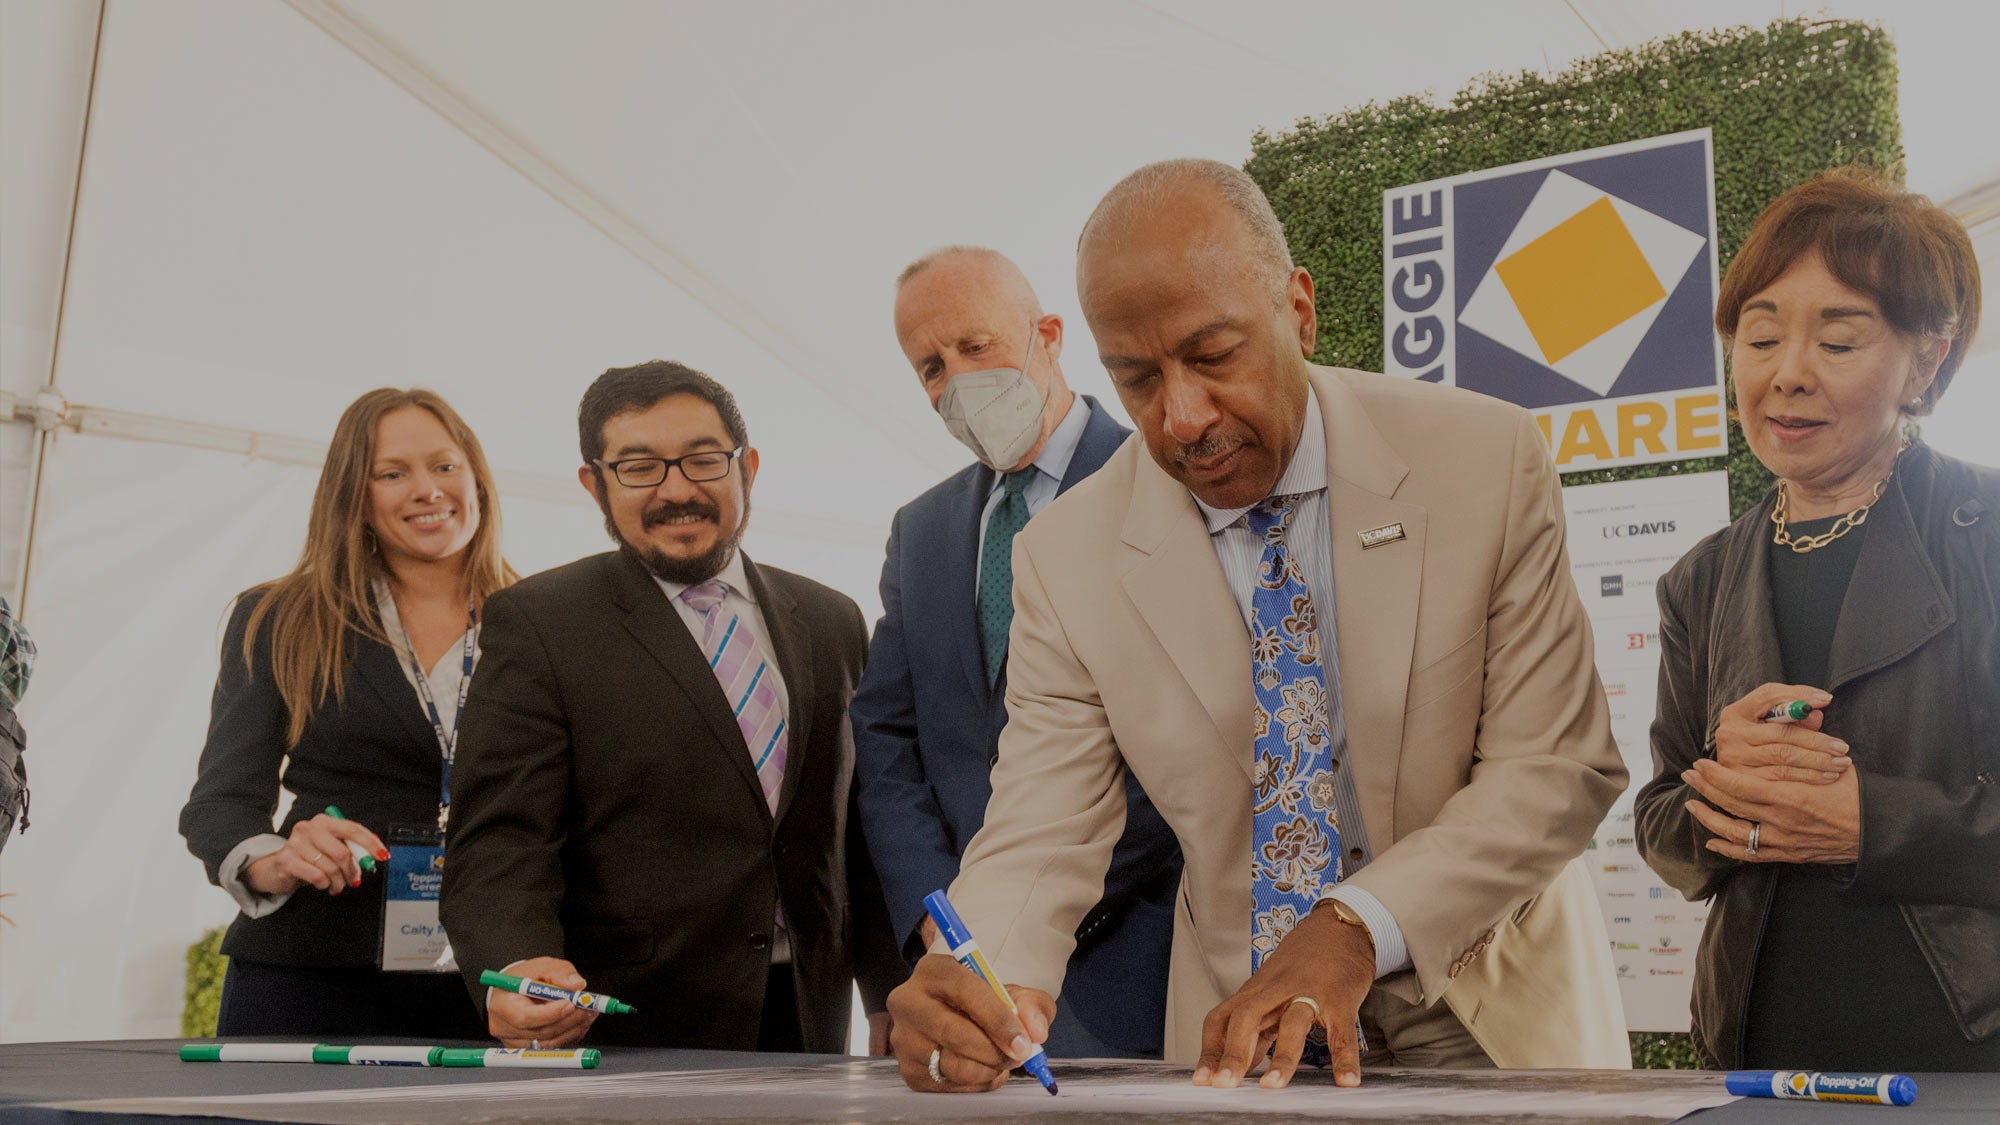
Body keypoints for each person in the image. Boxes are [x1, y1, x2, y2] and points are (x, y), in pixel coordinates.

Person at [886, 158, 1629, 1094]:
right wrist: (982, 972)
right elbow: (1043, 819)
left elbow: (1555, 767)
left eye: (1212, 354)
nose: (1183, 417)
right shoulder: (1066, 554)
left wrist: (1358, 923)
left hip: (1492, 1016)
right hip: (1239, 1045)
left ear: (1300, 311)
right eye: (1137, 379)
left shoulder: (1481, 460)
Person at [1634, 169, 1995, 1071]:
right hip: (1758, 1050)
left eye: (1838, 339)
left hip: (1968, 1051)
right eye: (1759, 337)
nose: (1786, 373)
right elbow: (1662, 825)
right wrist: (1725, 788)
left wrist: (1871, 822)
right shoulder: (1702, 578)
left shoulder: (1987, 533)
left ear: (1927, 361)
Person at [439, 361, 904, 1053]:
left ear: (746, 467)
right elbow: (502, 836)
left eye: (702, 459)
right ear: (593, 483)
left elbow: (861, 825)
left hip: (811, 1016)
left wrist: (892, 987)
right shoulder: (539, 623)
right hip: (627, 1023)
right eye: (639, 467)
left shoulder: (833, 619)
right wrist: (517, 965)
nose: (677, 489)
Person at [853, 246, 1182, 1059]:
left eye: (976, 346)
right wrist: (943, 911)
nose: (956, 380)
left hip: (1140, 948)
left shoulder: (1167, 480)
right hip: (961, 963)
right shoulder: (922, 529)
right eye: (930, 366)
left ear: (1049, 333)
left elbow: (1192, 721)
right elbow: (887, 736)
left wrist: (1030, 914)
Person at [180, 388, 514, 1037]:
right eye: (392, 472)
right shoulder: (281, 619)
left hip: (492, 978)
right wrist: (274, 860)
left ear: (476, 476)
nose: (426, 488)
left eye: (444, 465)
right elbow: (219, 803)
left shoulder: (544, 624)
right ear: (354, 496)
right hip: (312, 968)